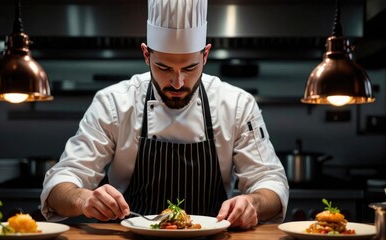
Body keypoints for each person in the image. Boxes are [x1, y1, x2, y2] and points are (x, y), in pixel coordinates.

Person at [41, 0, 289, 229]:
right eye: (164, 67)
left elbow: (271, 182)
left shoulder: (236, 105)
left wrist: (253, 203)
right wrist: (84, 198)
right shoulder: (114, 103)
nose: (178, 82)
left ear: (206, 55)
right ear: (146, 55)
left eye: (190, 68)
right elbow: (60, 183)